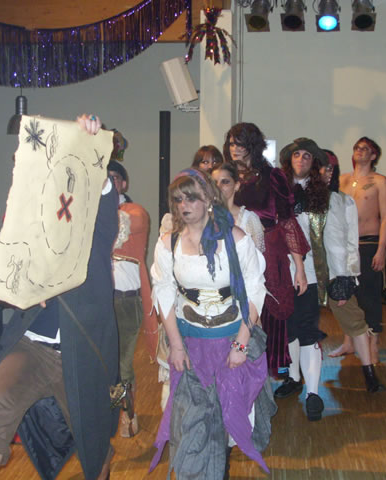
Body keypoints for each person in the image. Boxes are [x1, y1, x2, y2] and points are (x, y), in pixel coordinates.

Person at [0, 114, 119, 480]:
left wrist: (89, 144)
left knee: (94, 443)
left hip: (80, 353)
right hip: (31, 345)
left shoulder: (96, 224)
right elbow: (10, 278)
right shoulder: (30, 224)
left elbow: (104, 195)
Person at [149, 168, 275, 479]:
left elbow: (254, 290)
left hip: (231, 342)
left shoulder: (235, 239)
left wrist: (241, 345)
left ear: (208, 198)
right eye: (178, 199)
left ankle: (219, 469)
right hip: (190, 346)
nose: (184, 205)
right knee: (191, 423)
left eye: (191, 197)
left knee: (227, 420)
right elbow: (164, 293)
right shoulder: (168, 243)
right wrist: (176, 345)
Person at [223, 122, 309, 376]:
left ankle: (264, 372)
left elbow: (288, 221)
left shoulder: (273, 177)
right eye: (232, 143)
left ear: (253, 145)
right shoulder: (224, 176)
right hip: (229, 249)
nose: (235, 148)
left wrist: (300, 267)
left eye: (241, 143)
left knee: (266, 309)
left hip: (267, 251)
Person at [273, 138, 330, 421]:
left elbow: (333, 238)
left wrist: (342, 275)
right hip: (277, 273)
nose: (301, 159)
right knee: (288, 330)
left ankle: (313, 393)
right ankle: (294, 377)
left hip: (308, 272)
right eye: (297, 154)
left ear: (314, 162)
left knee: (307, 331)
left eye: (307, 155)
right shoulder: (275, 192)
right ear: (289, 159)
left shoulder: (325, 197)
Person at [323, 159, 386, 393]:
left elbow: (351, 241)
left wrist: (348, 276)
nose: (325, 172)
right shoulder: (298, 201)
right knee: (300, 326)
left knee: (355, 321)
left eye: (330, 168)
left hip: (336, 272)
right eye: (321, 166)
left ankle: (369, 374)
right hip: (306, 272)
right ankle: (295, 376)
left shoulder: (343, 201)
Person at [329, 137, 386, 364]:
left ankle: (373, 344)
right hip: (344, 245)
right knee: (346, 295)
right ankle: (348, 341)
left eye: (365, 149)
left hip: (369, 244)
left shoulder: (380, 182)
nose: (360, 151)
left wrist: (381, 249)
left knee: (369, 296)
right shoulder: (342, 180)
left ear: (374, 155)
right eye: (357, 147)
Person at [107, 159, 158, 438]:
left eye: (114, 178)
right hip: (96, 301)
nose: (108, 182)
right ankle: (107, 413)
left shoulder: (134, 212)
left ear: (124, 183)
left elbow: (117, 229)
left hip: (126, 300)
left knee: (122, 363)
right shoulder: (93, 211)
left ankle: (126, 413)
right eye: (103, 178)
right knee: (100, 362)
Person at [211, 162, 265, 252]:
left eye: (225, 182)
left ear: (236, 186)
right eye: (214, 182)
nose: (218, 186)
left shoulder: (249, 219)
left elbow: (257, 257)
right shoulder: (203, 216)